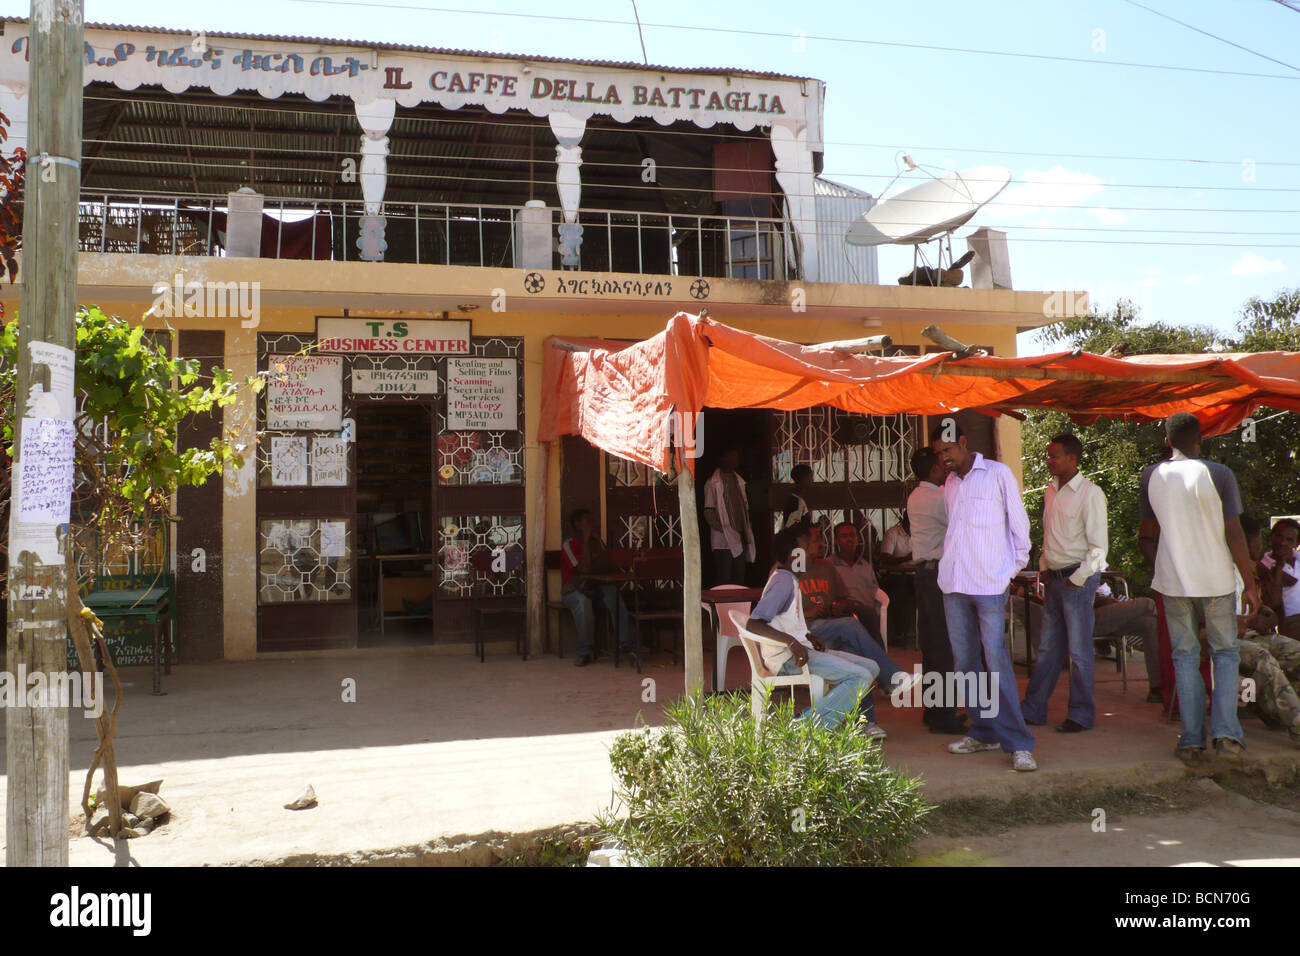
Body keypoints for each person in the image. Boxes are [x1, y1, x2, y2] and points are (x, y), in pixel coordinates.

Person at [1138, 411, 1259, 764]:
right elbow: (1234, 533)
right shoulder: (1218, 473)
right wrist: (1249, 585)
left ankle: (1191, 741)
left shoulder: (1150, 476)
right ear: (1199, 440)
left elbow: (1149, 532)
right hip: (1216, 580)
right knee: (1224, 654)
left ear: (1167, 441)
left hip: (1173, 581)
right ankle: (1227, 737)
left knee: (1185, 657)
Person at [932, 420, 1038, 772]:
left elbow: (1020, 530)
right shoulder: (949, 484)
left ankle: (1018, 743)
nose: (944, 457)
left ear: (963, 442)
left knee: (996, 662)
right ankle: (983, 730)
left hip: (989, 586)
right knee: (966, 664)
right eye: (938, 453)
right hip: (954, 585)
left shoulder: (997, 474)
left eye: (948, 449)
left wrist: (1008, 571)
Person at [745, 527, 879, 731]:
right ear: (795, 556)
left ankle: (827, 719)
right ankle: (807, 725)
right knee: (860, 676)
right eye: (807, 547)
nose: (814, 551)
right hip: (788, 659)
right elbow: (753, 623)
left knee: (871, 668)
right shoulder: (783, 582)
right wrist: (792, 642)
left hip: (799, 650)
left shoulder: (790, 579)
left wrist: (807, 636)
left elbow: (785, 621)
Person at [1021, 433, 1109, 733]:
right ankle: (1033, 709)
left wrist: (1078, 578)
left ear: (1072, 458)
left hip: (1076, 578)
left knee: (1079, 651)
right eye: (1049, 455)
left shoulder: (1090, 493)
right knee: (1049, 649)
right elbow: (1049, 534)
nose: (1050, 460)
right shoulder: (1050, 491)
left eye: (1055, 455)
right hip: (1056, 577)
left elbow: (1099, 548)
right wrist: (1043, 567)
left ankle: (1081, 715)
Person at [799, 525, 917, 738]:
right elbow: (776, 617)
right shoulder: (786, 573)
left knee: (856, 652)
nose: (821, 544)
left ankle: (866, 722)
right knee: (849, 625)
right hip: (805, 634)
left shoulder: (826, 568)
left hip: (829, 631)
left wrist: (836, 606)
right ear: (801, 545)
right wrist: (808, 611)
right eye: (816, 540)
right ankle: (890, 677)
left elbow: (843, 597)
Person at [908, 447, 964, 734]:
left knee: (933, 647)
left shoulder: (917, 495)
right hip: (937, 575)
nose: (947, 470)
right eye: (943, 466)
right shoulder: (938, 497)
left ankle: (935, 711)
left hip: (926, 574)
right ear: (933, 470)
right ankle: (944, 715)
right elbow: (963, 515)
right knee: (943, 646)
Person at [560, 508, 635, 667]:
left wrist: (595, 544)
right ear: (577, 524)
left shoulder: (597, 541)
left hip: (596, 587)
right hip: (573, 590)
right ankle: (584, 651)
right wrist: (586, 543)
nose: (592, 525)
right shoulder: (569, 544)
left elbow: (605, 564)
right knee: (583, 603)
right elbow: (583, 569)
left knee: (613, 593)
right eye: (587, 521)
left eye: (592, 521)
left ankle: (624, 643)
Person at [704, 446, 755, 586]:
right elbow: (709, 511)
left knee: (739, 576)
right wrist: (724, 529)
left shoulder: (739, 481)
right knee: (724, 577)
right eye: (731, 456)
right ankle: (720, 607)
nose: (735, 460)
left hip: (740, 534)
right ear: (722, 459)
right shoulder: (713, 483)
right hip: (723, 538)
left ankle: (738, 607)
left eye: (736, 457)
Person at [828, 522, 883, 642]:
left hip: (865, 612)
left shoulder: (865, 566)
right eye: (844, 536)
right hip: (840, 611)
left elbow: (875, 594)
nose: (849, 539)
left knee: (869, 614)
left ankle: (877, 656)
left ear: (858, 538)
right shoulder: (829, 566)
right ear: (836, 541)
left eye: (852, 535)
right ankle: (878, 656)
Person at [1259, 517, 1300, 639]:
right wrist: (1280, 564)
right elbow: (1290, 582)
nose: (1283, 543)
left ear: (1296, 544)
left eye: (1289, 540)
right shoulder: (1263, 565)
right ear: (1271, 536)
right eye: (1279, 536)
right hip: (1288, 621)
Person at [781, 464, 814, 530]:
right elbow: (792, 528)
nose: (812, 480)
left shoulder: (798, 500)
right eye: (810, 477)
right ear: (803, 479)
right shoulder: (796, 503)